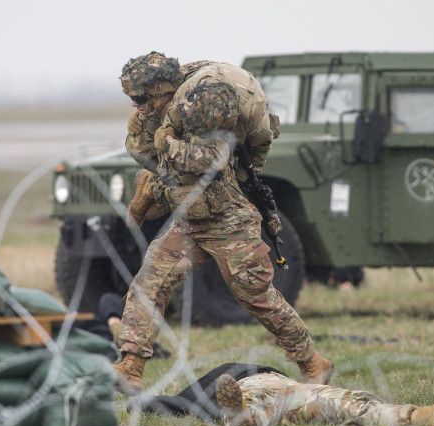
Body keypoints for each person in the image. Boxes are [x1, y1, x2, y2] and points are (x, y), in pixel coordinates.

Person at [113, 52, 333, 395]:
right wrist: (152, 140)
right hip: (189, 218)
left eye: (140, 99)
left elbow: (211, 160)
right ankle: (131, 366)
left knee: (257, 296)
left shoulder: (203, 99)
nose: (137, 107)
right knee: (150, 282)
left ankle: (312, 363)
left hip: (228, 217)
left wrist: (169, 145)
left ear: (159, 88)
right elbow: (149, 150)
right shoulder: (164, 108)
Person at [128, 363, 434, 426]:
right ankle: (244, 418)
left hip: (290, 390)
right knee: (344, 401)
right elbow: (158, 404)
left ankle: (425, 415)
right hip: (257, 387)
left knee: (348, 399)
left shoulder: (201, 387)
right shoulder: (191, 394)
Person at [215, 371, 434, 426]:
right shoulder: (214, 381)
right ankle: (242, 417)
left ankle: (424, 415)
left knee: (342, 399)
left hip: (284, 384)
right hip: (245, 383)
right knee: (247, 403)